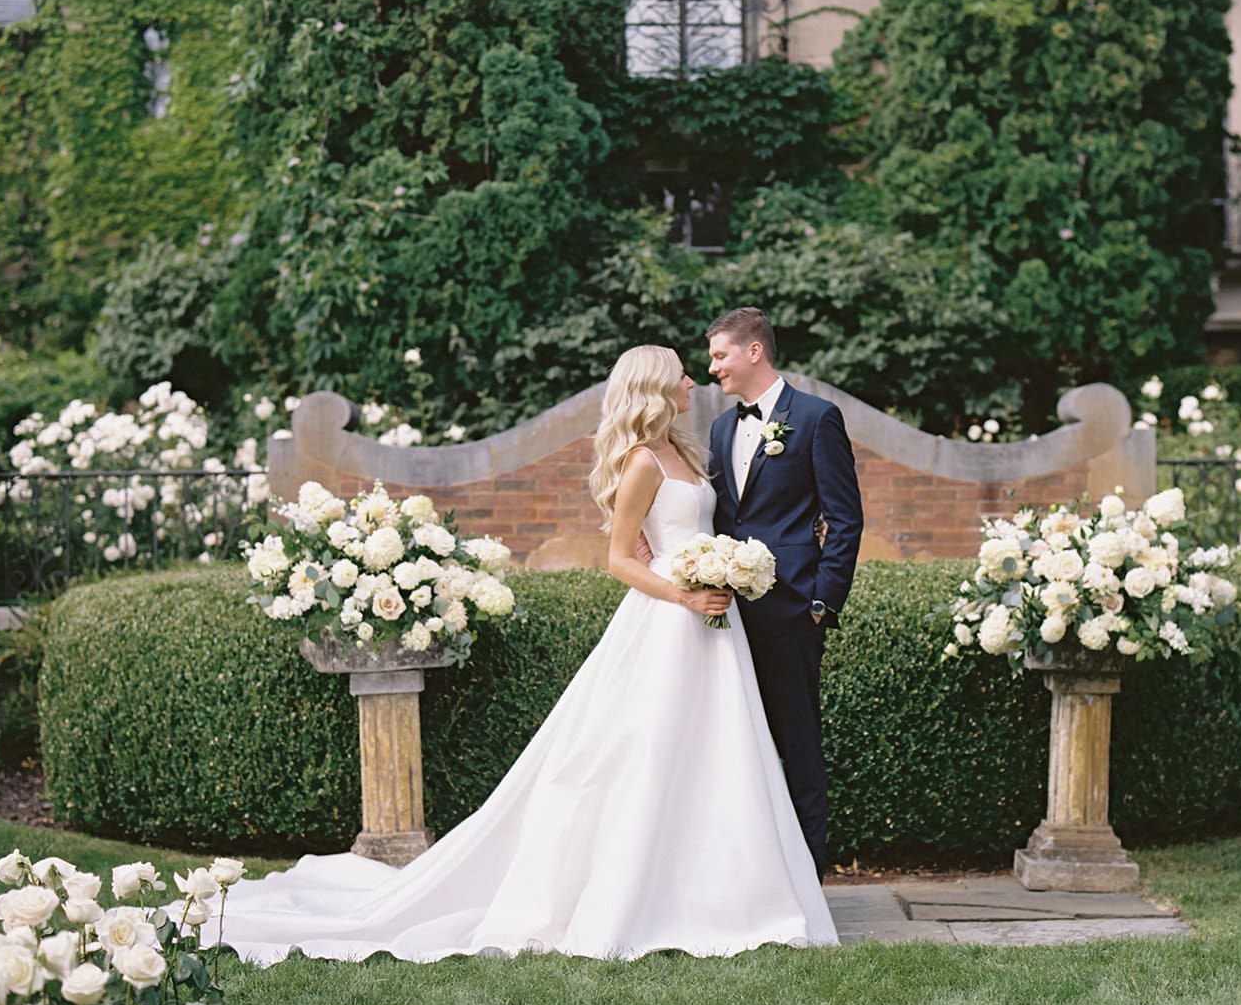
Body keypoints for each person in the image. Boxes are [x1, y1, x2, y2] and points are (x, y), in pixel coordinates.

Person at [209, 345, 837, 964]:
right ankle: (637, 895)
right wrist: (683, 594)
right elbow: (619, 558)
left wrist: (724, 569)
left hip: (714, 624)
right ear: (654, 385)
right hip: (672, 619)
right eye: (679, 372)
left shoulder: (687, 450)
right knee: (649, 750)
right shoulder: (643, 461)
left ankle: (724, 892)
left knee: (719, 749)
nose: (691, 380)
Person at [706, 308, 863, 880]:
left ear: (754, 351)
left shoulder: (817, 419)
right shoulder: (720, 430)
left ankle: (807, 885)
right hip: (725, 617)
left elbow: (845, 518)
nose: (712, 367)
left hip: (793, 611)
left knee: (797, 747)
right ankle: (751, 880)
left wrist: (822, 602)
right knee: (736, 748)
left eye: (720, 354)